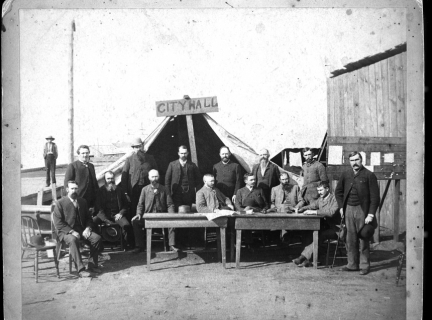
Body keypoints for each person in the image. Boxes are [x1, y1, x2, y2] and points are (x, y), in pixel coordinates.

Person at [335, 151, 380, 275]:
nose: (354, 163)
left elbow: (375, 198)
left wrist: (370, 214)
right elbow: (338, 192)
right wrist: (341, 207)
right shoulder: (345, 174)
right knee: (350, 239)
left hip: (362, 210)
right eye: (352, 160)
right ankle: (352, 264)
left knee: (363, 239)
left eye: (357, 160)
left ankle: (364, 265)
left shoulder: (369, 175)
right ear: (349, 162)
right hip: (348, 209)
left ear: (361, 160)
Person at [53, 180, 103, 277]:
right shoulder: (60, 203)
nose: (74, 191)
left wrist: (88, 228)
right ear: (67, 190)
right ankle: (80, 269)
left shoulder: (82, 201)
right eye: (72, 189)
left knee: (97, 238)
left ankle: (92, 265)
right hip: (65, 232)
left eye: (76, 188)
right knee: (73, 239)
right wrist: (71, 231)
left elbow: (89, 218)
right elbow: (58, 223)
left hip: (81, 230)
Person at [292, 181, 340, 267]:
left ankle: (302, 257)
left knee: (319, 236)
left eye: (321, 190)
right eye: (318, 190)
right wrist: (300, 208)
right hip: (325, 226)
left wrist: (315, 212)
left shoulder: (335, 198)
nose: (319, 192)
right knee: (309, 233)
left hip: (336, 228)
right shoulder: (321, 199)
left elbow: (331, 212)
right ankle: (310, 260)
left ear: (327, 189)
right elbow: (312, 206)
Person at [131, 169, 177, 253]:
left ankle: (171, 245)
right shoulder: (145, 190)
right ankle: (139, 246)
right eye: (152, 177)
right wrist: (138, 214)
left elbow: (170, 204)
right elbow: (140, 204)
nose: (154, 179)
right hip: (148, 216)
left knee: (172, 220)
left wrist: (172, 214)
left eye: (156, 176)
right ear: (149, 178)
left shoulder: (164, 189)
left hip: (161, 215)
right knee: (136, 222)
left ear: (159, 177)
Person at [121, 137, 158, 220]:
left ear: (143, 146)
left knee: (148, 208)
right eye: (136, 147)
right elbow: (124, 177)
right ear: (133, 149)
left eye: (139, 146)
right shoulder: (129, 160)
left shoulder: (150, 158)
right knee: (134, 209)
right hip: (134, 190)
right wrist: (126, 193)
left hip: (148, 188)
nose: (138, 149)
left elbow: (156, 173)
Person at [94, 171, 133, 248]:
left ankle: (125, 245)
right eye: (108, 178)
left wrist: (121, 213)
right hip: (104, 216)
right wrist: (105, 219)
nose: (110, 180)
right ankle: (96, 246)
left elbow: (126, 204)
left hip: (117, 215)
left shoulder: (120, 190)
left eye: (112, 178)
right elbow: (98, 207)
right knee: (93, 222)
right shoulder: (100, 191)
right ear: (105, 180)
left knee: (126, 225)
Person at [165, 145, 202, 211]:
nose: (183, 155)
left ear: (187, 153)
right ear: (178, 153)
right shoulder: (172, 165)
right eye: (181, 153)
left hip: (189, 195)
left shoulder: (192, 165)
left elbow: (199, 180)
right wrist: (169, 194)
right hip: (176, 194)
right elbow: (167, 181)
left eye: (185, 153)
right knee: (177, 213)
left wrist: (197, 193)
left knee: (188, 213)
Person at [64, 145, 99, 212]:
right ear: (78, 154)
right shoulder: (73, 166)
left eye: (87, 153)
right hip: (78, 196)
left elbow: (94, 182)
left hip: (90, 198)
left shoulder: (91, 166)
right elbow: (67, 184)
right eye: (83, 153)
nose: (85, 155)